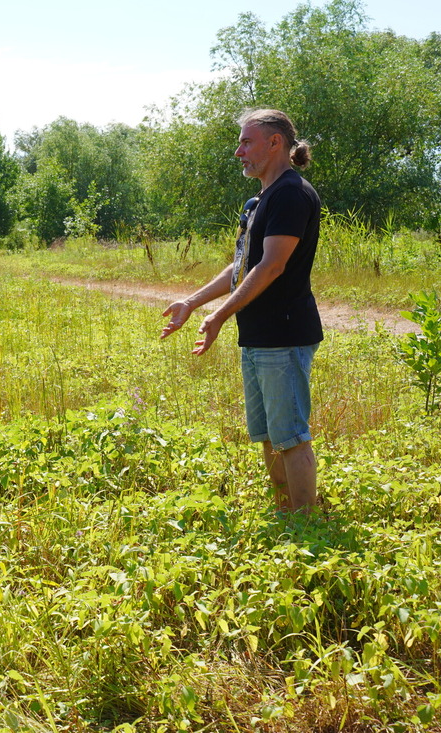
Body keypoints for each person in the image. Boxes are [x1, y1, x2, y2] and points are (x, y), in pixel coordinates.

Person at [160, 108, 322, 514]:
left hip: (284, 333)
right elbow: (243, 264)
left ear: (275, 143)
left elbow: (272, 265)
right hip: (259, 334)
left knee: (291, 435)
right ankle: (285, 512)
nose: (238, 152)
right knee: (269, 434)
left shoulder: (290, 193)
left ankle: (305, 522)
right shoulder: (259, 200)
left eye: (246, 142)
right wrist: (193, 302)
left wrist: (220, 316)